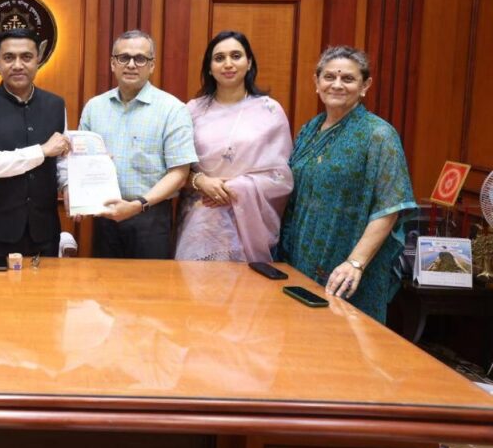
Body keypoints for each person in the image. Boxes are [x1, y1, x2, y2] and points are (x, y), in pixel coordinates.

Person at [278, 46, 417, 322]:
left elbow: (389, 208)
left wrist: (355, 263)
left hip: (349, 267)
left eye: (348, 79)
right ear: (317, 82)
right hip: (302, 257)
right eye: (329, 77)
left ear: (365, 86)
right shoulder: (309, 130)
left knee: (345, 339)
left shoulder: (379, 135)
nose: (337, 85)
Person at [77, 30, 198, 259]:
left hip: (150, 216)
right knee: (103, 280)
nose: (131, 65)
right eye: (124, 58)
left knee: (149, 282)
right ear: (113, 64)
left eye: (140, 58)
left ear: (152, 65)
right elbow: (80, 161)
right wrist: (78, 197)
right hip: (104, 216)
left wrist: (138, 204)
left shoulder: (173, 110)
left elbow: (180, 173)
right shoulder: (94, 107)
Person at [174, 31, 293, 262]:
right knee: (195, 282)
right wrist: (201, 182)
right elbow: (174, 166)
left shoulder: (269, 110)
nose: (228, 64)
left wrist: (235, 189)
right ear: (209, 68)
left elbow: (280, 177)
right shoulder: (192, 111)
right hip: (200, 221)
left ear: (249, 63)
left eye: (236, 56)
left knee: (243, 284)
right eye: (219, 58)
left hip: (249, 224)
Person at [0, 28, 71, 258]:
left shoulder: (56, 105)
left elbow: (62, 160)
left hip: (44, 233)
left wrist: (69, 187)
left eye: (26, 57)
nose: (18, 65)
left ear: (38, 60)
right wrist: (41, 151)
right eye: (9, 57)